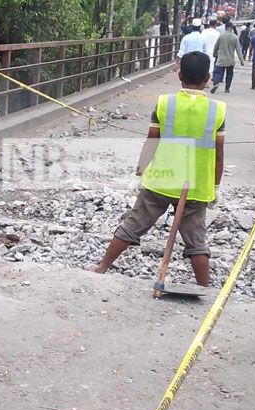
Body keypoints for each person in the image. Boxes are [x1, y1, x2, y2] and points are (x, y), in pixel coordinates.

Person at [90, 52, 225, 285]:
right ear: (208, 78)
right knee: (196, 240)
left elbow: (151, 142)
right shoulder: (217, 110)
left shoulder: (165, 103)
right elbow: (219, 153)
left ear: (179, 75)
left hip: (161, 180)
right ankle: (205, 286)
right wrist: (215, 185)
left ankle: (102, 266)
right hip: (195, 186)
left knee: (133, 225)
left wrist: (138, 174)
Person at [210, 23, 239, 94]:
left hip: (221, 59)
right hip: (230, 60)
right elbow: (238, 50)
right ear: (232, 28)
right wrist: (241, 60)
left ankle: (216, 82)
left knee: (217, 72)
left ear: (225, 27)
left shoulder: (221, 36)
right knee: (229, 74)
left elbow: (216, 46)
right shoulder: (235, 37)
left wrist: (214, 53)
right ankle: (227, 88)